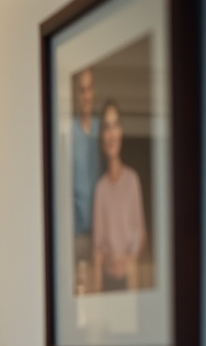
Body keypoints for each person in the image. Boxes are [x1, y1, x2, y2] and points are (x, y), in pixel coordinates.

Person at [91, 99, 148, 292]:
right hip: (107, 281)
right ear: (102, 136)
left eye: (115, 125)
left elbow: (140, 234)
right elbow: (98, 246)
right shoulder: (100, 188)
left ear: (121, 132)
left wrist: (127, 259)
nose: (111, 133)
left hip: (128, 280)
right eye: (107, 127)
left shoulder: (132, 180)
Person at [72, 67, 102, 290]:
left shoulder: (102, 130)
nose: (86, 95)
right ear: (76, 94)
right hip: (75, 232)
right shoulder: (69, 131)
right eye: (82, 90)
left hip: (99, 233)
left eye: (89, 88)